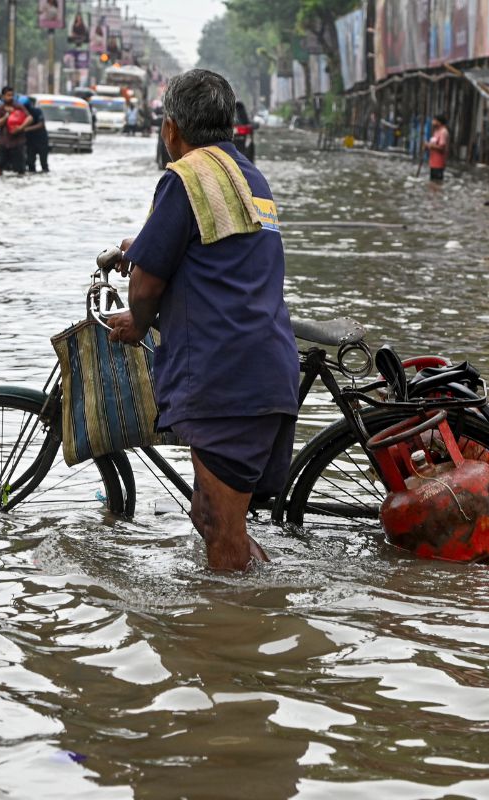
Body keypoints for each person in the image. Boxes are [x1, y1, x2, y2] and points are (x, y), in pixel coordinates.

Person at [106, 70, 299, 572]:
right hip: (265, 364)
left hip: (226, 375)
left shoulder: (185, 177)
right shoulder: (247, 175)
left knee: (217, 522)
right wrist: (143, 250)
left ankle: (232, 640)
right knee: (212, 518)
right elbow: (217, 254)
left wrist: (139, 323)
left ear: (171, 129)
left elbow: (146, 286)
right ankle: (259, 600)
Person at [0, 86, 29, 177]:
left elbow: (29, 118)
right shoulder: (0, 109)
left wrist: (21, 127)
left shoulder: (19, 107)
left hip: (18, 141)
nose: (10, 97)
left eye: (12, 95)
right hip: (4, 142)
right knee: (0, 166)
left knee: (21, 168)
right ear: (3, 96)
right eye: (8, 95)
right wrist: (8, 115)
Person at [23, 96, 49, 174]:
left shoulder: (37, 111)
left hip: (41, 140)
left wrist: (26, 129)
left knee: (43, 163)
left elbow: (41, 124)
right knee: (30, 163)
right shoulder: (21, 113)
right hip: (30, 141)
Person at [424, 114, 449, 182]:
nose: (432, 122)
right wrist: (428, 146)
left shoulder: (443, 132)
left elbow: (442, 148)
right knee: (432, 184)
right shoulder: (436, 131)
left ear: (439, 122)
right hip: (433, 163)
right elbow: (434, 144)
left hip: (439, 164)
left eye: (434, 120)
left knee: (437, 184)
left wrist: (430, 145)